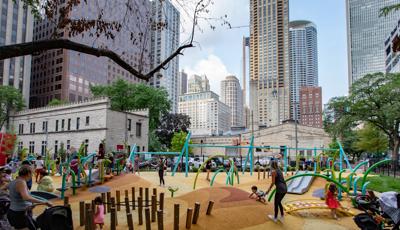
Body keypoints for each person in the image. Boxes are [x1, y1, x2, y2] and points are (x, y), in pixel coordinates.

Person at [7, 165, 52, 230]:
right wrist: (44, 202)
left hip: (15, 212)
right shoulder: (21, 182)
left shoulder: (14, 181)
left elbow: (3, 189)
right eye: (32, 174)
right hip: (20, 214)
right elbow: (26, 197)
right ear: (28, 173)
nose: (32, 176)